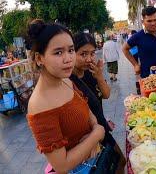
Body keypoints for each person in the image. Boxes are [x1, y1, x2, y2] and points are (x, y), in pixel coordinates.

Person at [26, 19, 105, 173]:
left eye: (70, 50)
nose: (68, 58)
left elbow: (88, 112)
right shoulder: (39, 105)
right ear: (39, 58)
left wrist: (94, 129)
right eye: (58, 52)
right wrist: (96, 134)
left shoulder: (67, 81)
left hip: (95, 159)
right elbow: (61, 166)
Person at [70, 32, 125, 173]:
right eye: (83, 54)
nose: (89, 59)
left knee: (120, 161)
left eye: (92, 53)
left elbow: (106, 95)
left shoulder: (92, 72)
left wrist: (99, 76)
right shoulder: (68, 81)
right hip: (87, 137)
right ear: (72, 53)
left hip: (101, 127)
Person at [122, 6, 156, 78]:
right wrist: (135, 65)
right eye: (149, 21)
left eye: (155, 20)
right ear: (143, 22)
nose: (153, 23)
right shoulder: (138, 36)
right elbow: (124, 48)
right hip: (147, 77)